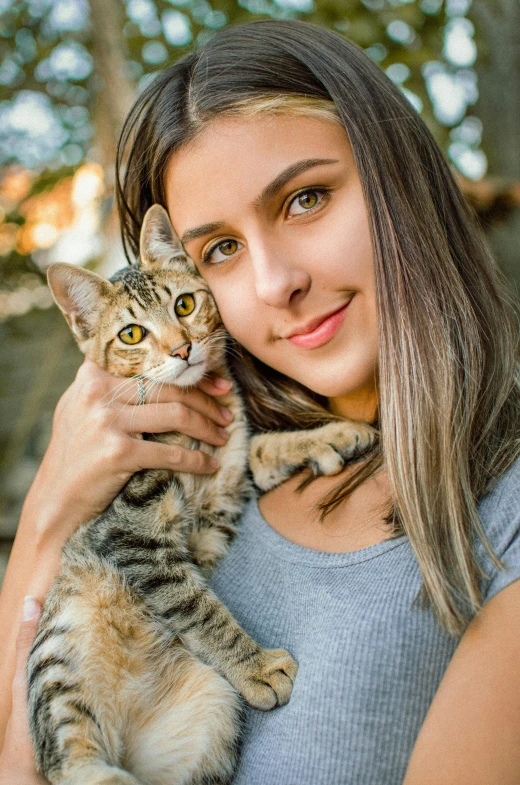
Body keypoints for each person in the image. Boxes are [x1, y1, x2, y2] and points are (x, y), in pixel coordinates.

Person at [1, 18, 519, 785]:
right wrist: (52, 501)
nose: (276, 282)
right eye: (220, 250)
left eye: (306, 198)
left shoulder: (502, 518)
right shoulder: (187, 444)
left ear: (403, 178)